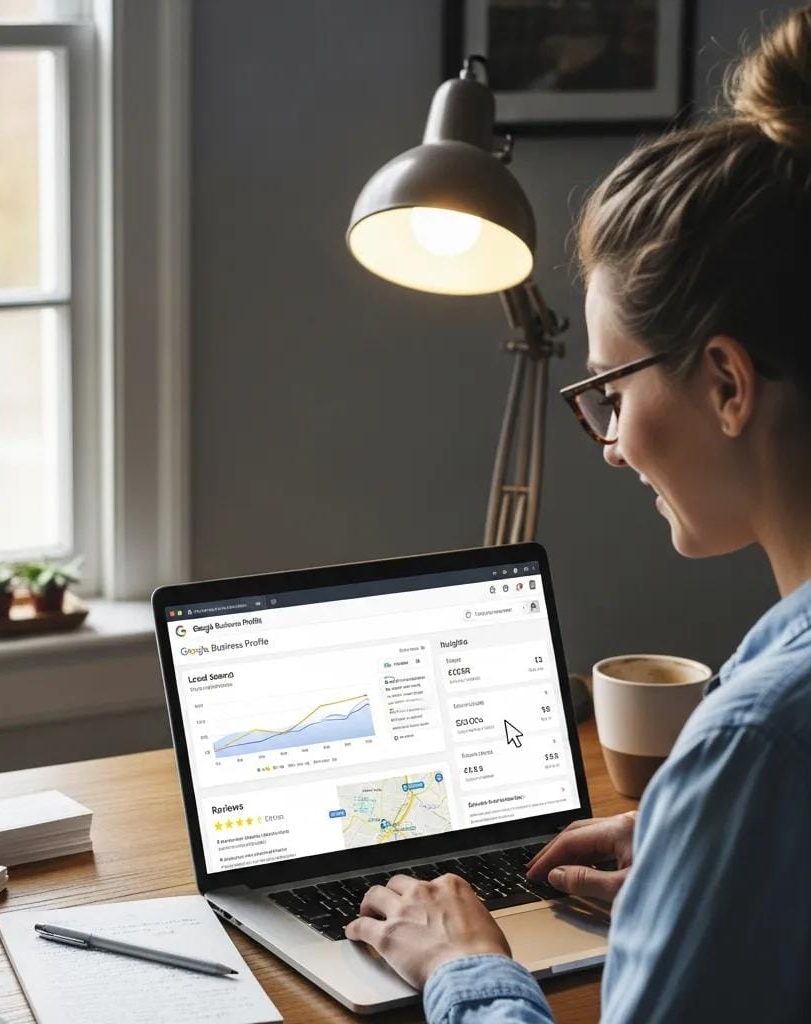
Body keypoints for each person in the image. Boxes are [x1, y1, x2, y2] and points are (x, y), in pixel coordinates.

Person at [345, 6, 811, 1021]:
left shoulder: (757, 742)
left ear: (727, 384)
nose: (608, 441)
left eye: (610, 389)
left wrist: (463, 963)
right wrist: (695, 856)